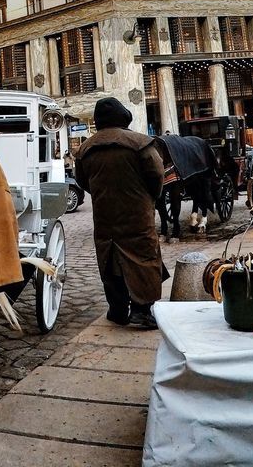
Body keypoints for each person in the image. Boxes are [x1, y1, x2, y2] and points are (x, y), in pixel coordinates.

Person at [74, 96, 167, 330]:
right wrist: (148, 198)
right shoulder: (141, 143)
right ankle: (141, 311)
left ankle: (117, 309)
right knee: (143, 258)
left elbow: (82, 181)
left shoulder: (86, 149)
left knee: (109, 260)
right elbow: (157, 177)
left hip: (105, 215)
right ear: (123, 117)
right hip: (137, 214)